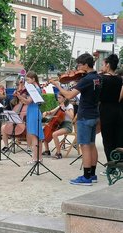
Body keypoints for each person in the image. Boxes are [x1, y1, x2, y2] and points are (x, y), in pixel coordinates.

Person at [50, 53, 101, 186]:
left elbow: (68, 95)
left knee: (84, 146)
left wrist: (58, 85)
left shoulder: (86, 79)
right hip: (95, 114)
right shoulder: (97, 77)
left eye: (79, 64)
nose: (77, 67)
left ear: (85, 65)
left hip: (85, 116)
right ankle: (93, 174)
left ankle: (86, 177)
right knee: (91, 145)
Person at [15, 71, 44, 165]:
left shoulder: (35, 89)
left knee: (34, 135)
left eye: (28, 79)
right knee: (37, 136)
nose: (26, 82)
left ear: (33, 79)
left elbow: (28, 102)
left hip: (34, 112)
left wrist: (19, 96)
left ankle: (35, 158)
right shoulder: (35, 88)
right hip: (33, 111)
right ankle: (39, 158)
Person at [99, 54, 123, 164]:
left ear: (108, 65)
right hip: (117, 110)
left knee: (108, 139)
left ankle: (111, 165)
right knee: (117, 137)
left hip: (106, 110)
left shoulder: (102, 79)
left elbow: (98, 96)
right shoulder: (119, 79)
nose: (102, 67)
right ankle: (119, 162)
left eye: (103, 64)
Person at [42, 93, 74, 159]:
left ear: (64, 98)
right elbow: (52, 112)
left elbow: (72, 116)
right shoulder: (60, 106)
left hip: (67, 126)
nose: (58, 99)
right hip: (60, 125)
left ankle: (59, 153)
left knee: (54, 134)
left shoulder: (69, 106)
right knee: (45, 130)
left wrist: (64, 110)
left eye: (59, 98)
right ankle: (47, 150)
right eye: (58, 97)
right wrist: (47, 112)